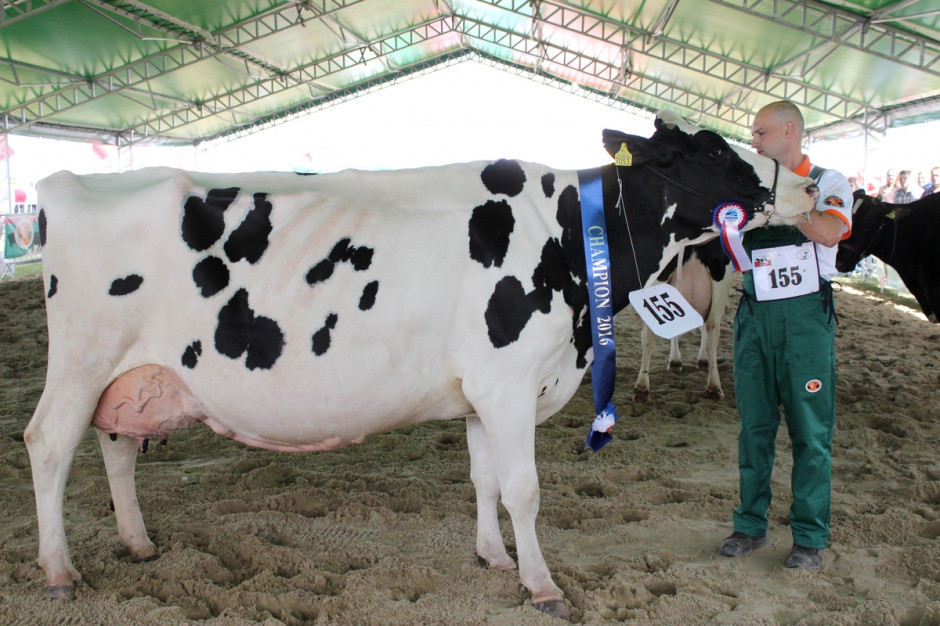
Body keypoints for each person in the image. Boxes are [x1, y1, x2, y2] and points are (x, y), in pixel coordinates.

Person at [718, 100, 853, 573]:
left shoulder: (829, 182)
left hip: (805, 322)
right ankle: (749, 525)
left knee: (810, 431)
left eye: (761, 133)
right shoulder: (746, 191)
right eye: (753, 135)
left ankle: (810, 536)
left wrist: (789, 205)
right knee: (753, 427)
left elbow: (831, 232)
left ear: (790, 131)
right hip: (754, 318)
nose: (754, 142)